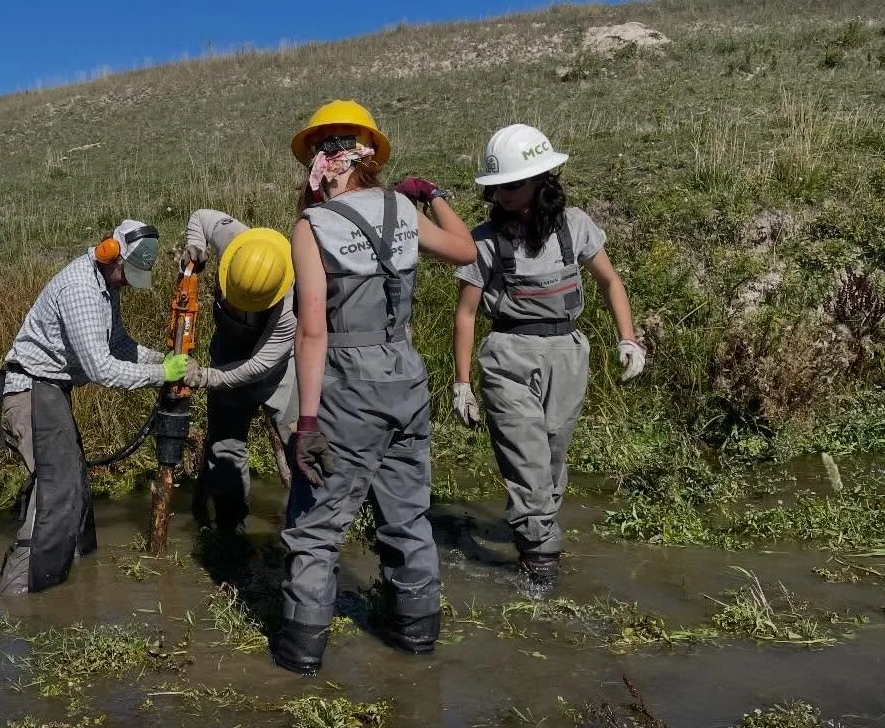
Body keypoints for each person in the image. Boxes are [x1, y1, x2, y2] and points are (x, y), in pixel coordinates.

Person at [275, 101, 478, 675]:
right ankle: (416, 642)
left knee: (316, 527)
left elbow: (312, 330)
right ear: (369, 156)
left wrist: (307, 423)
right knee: (408, 515)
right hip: (406, 375)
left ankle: (299, 657)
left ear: (328, 161)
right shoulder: (401, 209)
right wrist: (431, 192)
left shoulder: (313, 226)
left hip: (346, 380)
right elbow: (468, 252)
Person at [452, 124, 645, 589]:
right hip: (509, 356)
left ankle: (535, 542)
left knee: (554, 458)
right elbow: (466, 314)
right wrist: (461, 384)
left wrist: (628, 338)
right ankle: (541, 566)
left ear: (542, 181)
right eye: (495, 187)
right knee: (528, 461)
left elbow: (610, 282)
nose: (501, 195)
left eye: (512, 185)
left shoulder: (575, 225)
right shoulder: (482, 240)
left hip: (568, 353)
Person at [0, 219, 190, 595]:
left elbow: (118, 345)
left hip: (53, 389)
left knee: (77, 485)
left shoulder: (107, 285)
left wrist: (163, 360)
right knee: (58, 488)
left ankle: (79, 576)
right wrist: (160, 375)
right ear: (109, 254)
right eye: (125, 273)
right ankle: (23, 592)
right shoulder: (81, 288)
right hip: (30, 389)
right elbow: (102, 369)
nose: (125, 282)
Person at [179, 210, 297, 537]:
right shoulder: (237, 241)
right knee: (225, 449)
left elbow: (258, 366)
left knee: (298, 445)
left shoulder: (290, 307)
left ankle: (305, 532)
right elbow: (201, 217)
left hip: (278, 368)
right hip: (228, 351)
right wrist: (195, 245)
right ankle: (231, 533)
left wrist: (205, 377)